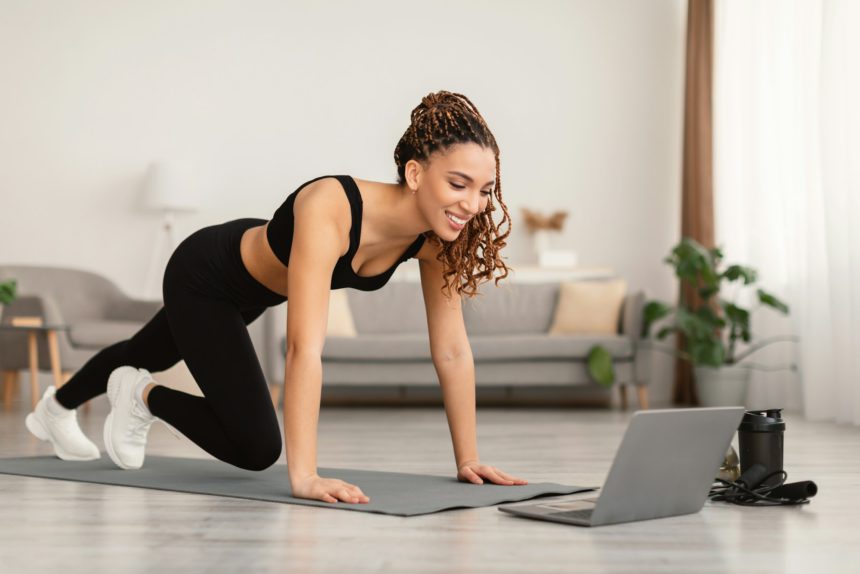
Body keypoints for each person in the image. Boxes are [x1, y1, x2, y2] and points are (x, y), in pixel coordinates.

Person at [24, 90, 528, 504]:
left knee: (144, 351)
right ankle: (141, 396)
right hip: (204, 274)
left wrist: (468, 459)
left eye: (484, 190)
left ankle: (56, 407)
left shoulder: (438, 241)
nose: (472, 204)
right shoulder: (331, 205)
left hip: (254, 291)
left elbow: (453, 350)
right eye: (459, 184)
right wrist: (304, 476)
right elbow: (303, 348)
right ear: (416, 174)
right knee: (257, 446)